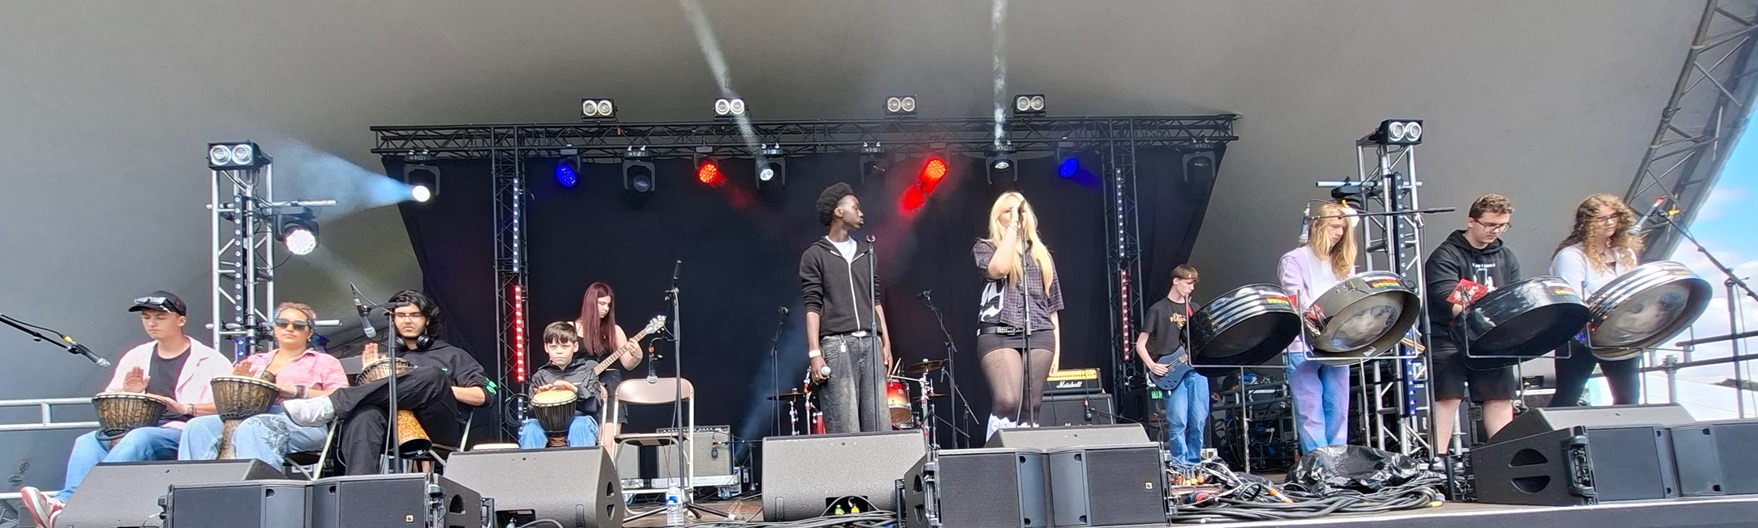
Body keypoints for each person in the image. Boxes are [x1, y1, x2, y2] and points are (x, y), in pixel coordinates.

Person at [20, 291, 230, 528]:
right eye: (146, 317)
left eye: (160, 317)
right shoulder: (137, 355)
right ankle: (68, 504)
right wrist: (131, 393)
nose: (152, 323)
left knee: (142, 437)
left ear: (180, 320)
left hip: (182, 432)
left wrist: (185, 407)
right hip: (136, 427)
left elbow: (227, 406)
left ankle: (73, 505)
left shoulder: (211, 359)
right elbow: (110, 400)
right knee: (87, 441)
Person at [283, 290, 488, 475]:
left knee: (432, 376)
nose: (407, 320)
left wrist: (437, 387)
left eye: (415, 314)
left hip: (438, 426)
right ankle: (358, 493)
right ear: (392, 320)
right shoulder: (386, 358)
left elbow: (483, 396)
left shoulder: (452, 355)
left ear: (426, 320)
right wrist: (370, 374)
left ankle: (334, 403)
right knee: (365, 415)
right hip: (393, 427)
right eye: (400, 315)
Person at [178, 302, 349, 468]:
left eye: (298, 326)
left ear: (309, 333)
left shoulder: (325, 362)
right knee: (197, 426)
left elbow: (343, 397)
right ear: (275, 329)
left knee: (254, 426)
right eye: (283, 324)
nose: (289, 328)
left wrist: (299, 391)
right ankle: (195, 489)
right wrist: (237, 383)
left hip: (301, 421)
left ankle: (256, 491)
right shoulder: (254, 360)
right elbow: (230, 400)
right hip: (245, 416)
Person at [1422, 194, 1521, 457]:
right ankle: (1438, 461)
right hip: (1449, 337)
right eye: (1489, 224)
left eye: (1502, 226)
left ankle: (1504, 460)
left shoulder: (1506, 256)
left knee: (1499, 398)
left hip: (1492, 339)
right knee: (1447, 398)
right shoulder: (1446, 255)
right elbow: (1446, 297)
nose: (1495, 231)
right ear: (1471, 221)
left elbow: (1514, 296)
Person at [801, 182, 894, 433]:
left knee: (879, 425)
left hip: (870, 344)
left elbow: (875, 299)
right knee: (846, 427)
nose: (861, 212)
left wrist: (885, 341)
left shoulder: (867, 253)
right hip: (836, 345)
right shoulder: (815, 255)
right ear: (838, 212)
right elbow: (812, 305)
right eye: (856, 207)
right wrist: (814, 354)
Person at [974, 191, 1065, 440]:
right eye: (1007, 210)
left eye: (1019, 210)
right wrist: (1014, 227)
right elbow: (999, 269)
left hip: (1040, 332)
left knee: (1030, 406)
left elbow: (1052, 305)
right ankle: (997, 460)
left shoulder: (1041, 255)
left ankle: (1026, 463)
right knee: (1007, 400)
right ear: (998, 218)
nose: (1015, 214)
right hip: (999, 331)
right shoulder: (985, 247)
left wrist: (1056, 349)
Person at [1548, 193, 1645, 407]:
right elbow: (1571, 297)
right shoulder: (1571, 255)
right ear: (1587, 223)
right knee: (1568, 395)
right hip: (1580, 334)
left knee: (1629, 397)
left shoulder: (1624, 253)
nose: (1610, 223)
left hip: (1620, 333)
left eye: (1614, 216)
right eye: (1602, 219)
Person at [1278, 202, 1357, 453]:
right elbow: (1296, 300)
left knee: (1338, 406)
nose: (1339, 233)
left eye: (1342, 228)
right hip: (1303, 342)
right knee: (1310, 408)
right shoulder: (1294, 259)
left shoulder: (1343, 261)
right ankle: (1319, 462)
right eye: (1334, 226)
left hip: (1339, 341)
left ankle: (1337, 460)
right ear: (1319, 225)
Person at [1137, 265, 1206, 464]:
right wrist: (1151, 365)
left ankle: (1195, 463)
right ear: (1175, 281)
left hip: (1196, 370)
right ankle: (1180, 464)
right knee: (1178, 422)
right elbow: (1140, 344)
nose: (1191, 288)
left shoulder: (1194, 309)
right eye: (1188, 283)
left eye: (1193, 284)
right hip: (1172, 372)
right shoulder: (1158, 309)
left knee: (1199, 421)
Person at [575, 282, 643, 454]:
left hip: (609, 386)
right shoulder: (571, 328)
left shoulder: (615, 330)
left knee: (608, 445)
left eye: (608, 305)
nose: (605, 309)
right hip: (579, 389)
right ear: (591, 303)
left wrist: (638, 355)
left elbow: (628, 364)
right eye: (601, 304)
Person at [520, 322, 606, 448]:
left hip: (579, 420)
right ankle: (531, 467)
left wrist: (575, 390)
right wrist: (539, 400)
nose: (559, 351)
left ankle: (582, 467)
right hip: (547, 425)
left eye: (565, 346)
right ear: (546, 348)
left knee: (581, 425)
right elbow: (531, 412)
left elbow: (594, 406)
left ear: (575, 346)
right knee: (531, 427)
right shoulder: (540, 376)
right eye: (553, 347)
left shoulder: (587, 372)